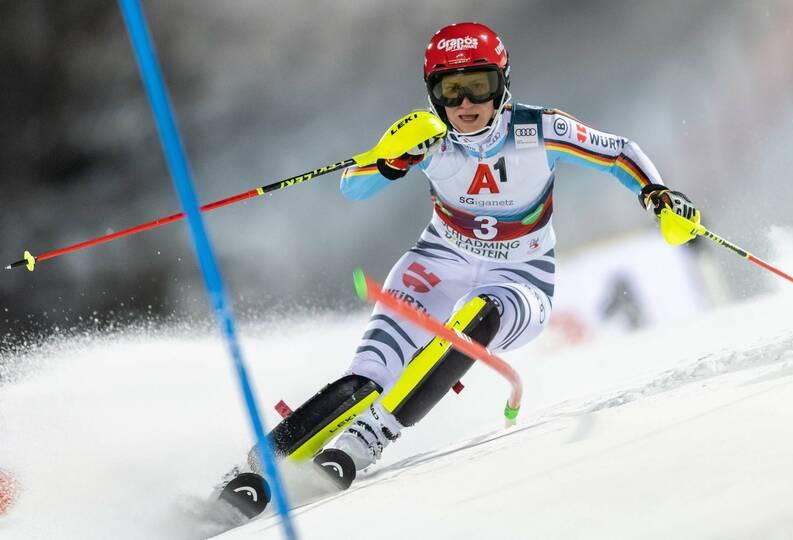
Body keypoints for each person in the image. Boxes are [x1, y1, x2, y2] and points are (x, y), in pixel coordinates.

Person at [222, 21, 699, 516]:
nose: (466, 104)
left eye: (480, 86)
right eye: (451, 91)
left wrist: (658, 195)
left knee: (480, 313)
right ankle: (254, 471)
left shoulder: (538, 129)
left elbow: (616, 152)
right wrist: (389, 161)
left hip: (521, 278)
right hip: (438, 263)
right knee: (369, 375)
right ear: (434, 94)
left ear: (503, 84)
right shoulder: (427, 136)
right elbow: (352, 186)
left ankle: (364, 443)